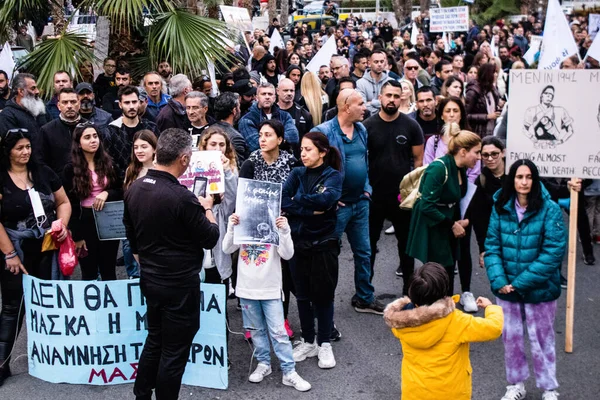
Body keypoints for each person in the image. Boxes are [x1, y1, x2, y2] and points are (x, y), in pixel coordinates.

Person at [123, 128, 219, 399]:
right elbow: (210, 237)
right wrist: (208, 207)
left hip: (151, 279)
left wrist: (147, 263)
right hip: (179, 285)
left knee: (155, 339)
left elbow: (131, 235)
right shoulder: (183, 198)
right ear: (185, 159)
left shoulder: (135, 188)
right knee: (174, 352)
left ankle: (142, 394)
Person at [484, 160, 567, 400]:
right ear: (512, 179)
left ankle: (549, 388)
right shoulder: (500, 206)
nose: (524, 182)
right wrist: (498, 279)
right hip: (506, 287)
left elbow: (553, 251)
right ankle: (515, 384)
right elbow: (492, 245)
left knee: (543, 339)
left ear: (535, 179)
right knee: (511, 338)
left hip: (539, 289)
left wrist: (519, 283)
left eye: (529, 177)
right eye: (519, 177)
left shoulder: (549, 209)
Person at [0, 128, 71, 386]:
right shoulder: (2, 178)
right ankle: (1, 362)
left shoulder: (43, 172)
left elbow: (63, 202)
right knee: (12, 307)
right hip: (15, 247)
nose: (25, 152)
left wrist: (61, 225)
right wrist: (9, 254)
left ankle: (54, 357)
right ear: (8, 152)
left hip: (46, 246)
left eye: (28, 147)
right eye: (20, 148)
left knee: (49, 302)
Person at [383, 262, 503, 400]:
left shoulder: (402, 321)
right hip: (451, 393)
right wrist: (490, 308)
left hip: (415, 392)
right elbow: (494, 328)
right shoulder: (456, 321)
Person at [312, 89, 385, 314]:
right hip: (337, 207)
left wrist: (367, 189)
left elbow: (365, 161)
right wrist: (329, 198)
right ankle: (323, 302)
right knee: (327, 255)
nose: (366, 108)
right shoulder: (322, 133)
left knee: (364, 252)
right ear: (346, 106)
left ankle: (364, 297)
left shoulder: (361, 129)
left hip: (360, 203)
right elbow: (312, 170)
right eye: (360, 104)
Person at [222, 211, 312, 391]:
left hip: (270, 289)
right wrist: (232, 226)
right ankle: (263, 363)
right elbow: (226, 248)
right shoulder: (243, 223)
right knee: (255, 331)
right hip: (247, 288)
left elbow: (287, 254)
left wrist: (285, 230)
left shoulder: (275, 226)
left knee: (279, 332)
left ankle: (289, 371)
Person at [281, 131, 343, 369]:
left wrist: (297, 201)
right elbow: (282, 199)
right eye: (302, 149)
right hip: (298, 244)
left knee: (324, 295)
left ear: (322, 152)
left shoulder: (332, 176)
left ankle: (324, 342)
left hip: (323, 245)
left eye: (308, 149)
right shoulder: (297, 173)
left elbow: (327, 201)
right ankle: (308, 341)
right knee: (303, 296)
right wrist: (307, 208)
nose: (302, 154)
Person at [407, 123, 482, 297]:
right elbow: (426, 205)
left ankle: (446, 307)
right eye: (476, 152)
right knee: (437, 272)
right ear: (463, 151)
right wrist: (452, 224)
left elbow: (457, 200)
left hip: (448, 222)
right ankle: (433, 309)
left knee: (448, 267)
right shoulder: (438, 168)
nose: (479, 158)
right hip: (434, 225)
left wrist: (463, 220)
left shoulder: (460, 168)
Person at [364, 80, 424, 293]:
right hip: (373, 196)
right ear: (380, 97)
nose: (392, 99)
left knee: (406, 246)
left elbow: (418, 162)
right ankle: (365, 290)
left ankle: (410, 290)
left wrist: (413, 193)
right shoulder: (367, 126)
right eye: (388, 95)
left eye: (396, 96)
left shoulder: (411, 126)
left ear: (402, 98)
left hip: (402, 197)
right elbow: (362, 159)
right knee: (368, 245)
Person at [240, 120, 298, 336]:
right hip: (256, 227)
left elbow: (295, 192)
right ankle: (252, 323)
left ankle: (282, 319)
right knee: (255, 273)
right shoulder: (251, 162)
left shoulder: (291, 162)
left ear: (280, 140)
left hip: (282, 224)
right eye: (261, 135)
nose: (262, 139)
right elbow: (242, 197)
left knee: (282, 274)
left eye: (268, 135)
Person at [62, 123, 122, 281]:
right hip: (84, 221)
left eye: (95, 136)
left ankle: (111, 305)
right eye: (87, 137)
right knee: (88, 271)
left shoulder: (109, 163)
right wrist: (77, 236)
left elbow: (121, 190)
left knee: (109, 270)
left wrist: (107, 193)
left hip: (107, 219)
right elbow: (70, 204)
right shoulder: (70, 169)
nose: (93, 140)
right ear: (78, 143)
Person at [199, 126, 238, 287]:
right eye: (213, 144)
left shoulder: (231, 169)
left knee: (217, 284)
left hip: (219, 227)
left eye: (222, 145)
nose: (217, 149)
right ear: (205, 146)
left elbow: (231, 204)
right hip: (197, 226)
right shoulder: (195, 166)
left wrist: (227, 171)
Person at [123, 130, 158, 278]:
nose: (139, 151)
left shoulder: (161, 169)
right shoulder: (131, 171)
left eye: (144, 146)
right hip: (135, 225)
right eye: (136, 147)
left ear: (154, 148)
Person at [104, 86, 157, 179]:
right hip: (120, 184)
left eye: (134, 102)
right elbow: (108, 161)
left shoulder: (151, 127)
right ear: (120, 104)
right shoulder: (110, 131)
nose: (131, 106)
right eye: (127, 103)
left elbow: (159, 156)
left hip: (151, 181)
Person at [470, 136, 506, 269]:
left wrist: (568, 187)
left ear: (503, 153)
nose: (490, 159)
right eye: (485, 155)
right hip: (497, 235)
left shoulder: (517, 174)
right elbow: (479, 219)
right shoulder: (482, 180)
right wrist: (483, 249)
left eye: (494, 154)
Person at [238, 83, 299, 153]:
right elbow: (255, 145)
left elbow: (294, 137)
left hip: (284, 161)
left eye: (270, 94)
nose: (267, 97)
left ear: (274, 98)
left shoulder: (285, 116)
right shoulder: (247, 120)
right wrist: (281, 140)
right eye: (263, 94)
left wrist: (269, 140)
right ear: (257, 97)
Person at [0, 74, 49, 154]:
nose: (37, 91)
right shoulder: (7, 115)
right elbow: (14, 146)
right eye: (33, 88)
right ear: (21, 91)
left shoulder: (41, 109)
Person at [39, 88, 83, 175]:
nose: (69, 106)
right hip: (58, 184)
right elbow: (42, 163)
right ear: (58, 106)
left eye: (73, 102)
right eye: (65, 102)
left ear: (79, 104)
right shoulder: (47, 131)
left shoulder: (89, 128)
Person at [465, 63, 501, 138]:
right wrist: (486, 116)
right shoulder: (473, 91)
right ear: (488, 74)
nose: (496, 75)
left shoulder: (493, 90)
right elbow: (465, 115)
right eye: (494, 72)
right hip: (477, 131)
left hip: (492, 129)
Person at [212, 92, 248, 165]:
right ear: (234, 111)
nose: (240, 110)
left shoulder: (207, 131)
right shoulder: (236, 138)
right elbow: (238, 166)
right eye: (239, 107)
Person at [277, 78, 313, 146]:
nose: (289, 93)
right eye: (285, 90)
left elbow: (310, 138)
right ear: (277, 91)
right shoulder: (270, 112)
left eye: (292, 91)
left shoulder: (305, 114)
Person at [356, 50, 391, 115]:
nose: (379, 64)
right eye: (376, 62)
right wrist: (382, 104)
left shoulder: (391, 82)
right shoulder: (360, 83)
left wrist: (372, 102)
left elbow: (392, 105)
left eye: (382, 61)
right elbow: (362, 106)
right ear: (369, 63)